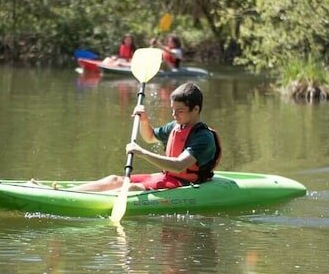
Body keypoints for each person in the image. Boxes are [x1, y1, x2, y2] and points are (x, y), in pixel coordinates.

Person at [73, 82, 221, 192]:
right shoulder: (175, 126)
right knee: (115, 179)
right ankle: (68, 193)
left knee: (132, 188)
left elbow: (179, 166)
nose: (174, 115)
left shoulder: (203, 137)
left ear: (195, 109)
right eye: (173, 110)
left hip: (185, 184)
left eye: (180, 111)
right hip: (167, 178)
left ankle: (85, 202)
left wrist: (142, 153)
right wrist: (144, 119)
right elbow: (149, 137)